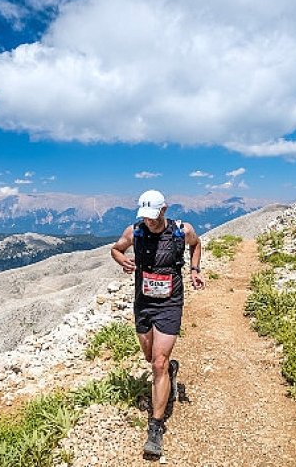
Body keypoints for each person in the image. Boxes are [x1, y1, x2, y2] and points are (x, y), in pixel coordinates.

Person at [110, 189, 205, 457]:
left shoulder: (182, 231)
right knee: (150, 356)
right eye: (146, 217)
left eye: (153, 217)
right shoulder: (135, 232)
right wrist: (123, 261)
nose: (149, 222)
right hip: (144, 304)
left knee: (158, 363)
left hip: (170, 303)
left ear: (164, 210)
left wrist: (195, 270)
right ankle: (170, 374)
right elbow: (115, 249)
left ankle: (155, 426)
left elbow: (197, 245)